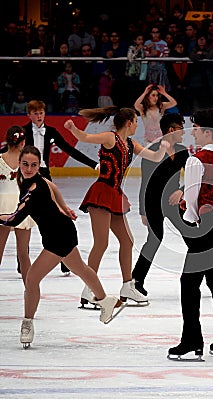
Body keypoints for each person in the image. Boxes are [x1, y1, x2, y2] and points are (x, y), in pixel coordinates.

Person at [0, 146, 125, 348]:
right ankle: (105, 301)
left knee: (32, 278)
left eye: (33, 165)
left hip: (58, 237)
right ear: (19, 164)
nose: (29, 168)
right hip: (61, 231)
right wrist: (64, 206)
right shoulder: (30, 180)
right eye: (25, 164)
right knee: (80, 269)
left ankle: (27, 323)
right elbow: (54, 187)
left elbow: (14, 220)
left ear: (38, 165)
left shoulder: (33, 189)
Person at [63, 106, 170, 308]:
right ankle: (89, 290)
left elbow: (154, 157)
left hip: (115, 195)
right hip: (102, 193)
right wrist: (72, 129)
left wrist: (164, 147)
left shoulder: (130, 143)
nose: (137, 125)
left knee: (127, 241)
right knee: (101, 243)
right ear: (128, 122)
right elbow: (85, 137)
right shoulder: (110, 138)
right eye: (136, 121)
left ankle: (127, 286)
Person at [168, 109, 213, 360]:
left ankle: (191, 340)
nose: (193, 132)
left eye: (196, 128)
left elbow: (192, 197)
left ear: (208, 132)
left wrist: (191, 225)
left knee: (189, 283)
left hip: (207, 224)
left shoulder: (195, 160)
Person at [0, 100, 98, 276]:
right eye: (36, 113)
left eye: (41, 113)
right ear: (29, 115)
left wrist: (93, 164)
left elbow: (69, 149)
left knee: (54, 218)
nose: (39, 116)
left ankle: (64, 258)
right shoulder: (22, 133)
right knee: (24, 218)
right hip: (25, 178)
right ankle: (22, 263)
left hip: (43, 176)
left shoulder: (51, 132)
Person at [132, 113, 189, 298]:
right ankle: (136, 281)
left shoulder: (182, 150)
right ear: (171, 130)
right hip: (154, 203)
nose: (184, 132)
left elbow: (192, 175)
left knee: (194, 236)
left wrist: (181, 190)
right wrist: (143, 210)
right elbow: (145, 182)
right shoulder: (152, 151)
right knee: (154, 241)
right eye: (181, 128)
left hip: (174, 202)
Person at [0, 126, 34, 284]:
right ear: (23, 143)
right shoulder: (28, 161)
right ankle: (30, 287)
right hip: (22, 206)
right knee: (23, 253)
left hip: (2, 206)